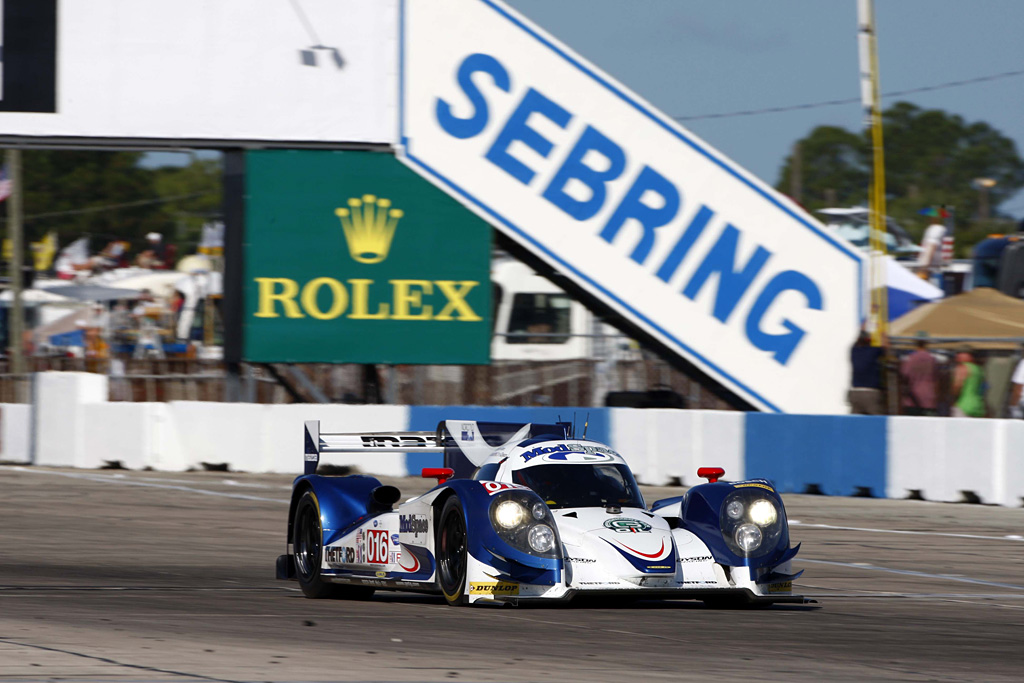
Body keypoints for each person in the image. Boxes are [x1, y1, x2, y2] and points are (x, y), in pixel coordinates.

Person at [849, 331, 887, 415]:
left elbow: (854, 343)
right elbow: (885, 348)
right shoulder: (873, 351)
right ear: (869, 340)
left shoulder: (854, 352)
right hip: (871, 393)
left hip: (855, 393)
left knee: (855, 423)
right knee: (877, 422)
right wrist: (883, 335)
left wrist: (862, 327)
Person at [900, 337, 939, 416]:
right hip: (929, 398)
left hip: (913, 399)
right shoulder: (932, 359)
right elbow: (936, 378)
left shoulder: (911, 359)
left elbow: (904, 375)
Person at [951, 350, 986, 417]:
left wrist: (952, 398)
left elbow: (957, 386)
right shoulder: (979, 369)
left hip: (963, 405)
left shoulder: (962, 367)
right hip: (978, 405)